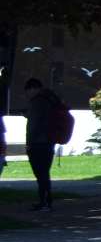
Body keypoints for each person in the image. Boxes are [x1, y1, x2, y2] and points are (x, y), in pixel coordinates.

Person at [22, 78, 61, 210]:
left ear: (33, 89)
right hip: (49, 141)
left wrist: (28, 143)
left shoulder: (37, 102)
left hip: (38, 142)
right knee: (45, 172)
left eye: (28, 91)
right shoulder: (51, 99)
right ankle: (48, 199)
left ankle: (43, 201)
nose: (27, 95)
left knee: (40, 173)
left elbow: (33, 125)